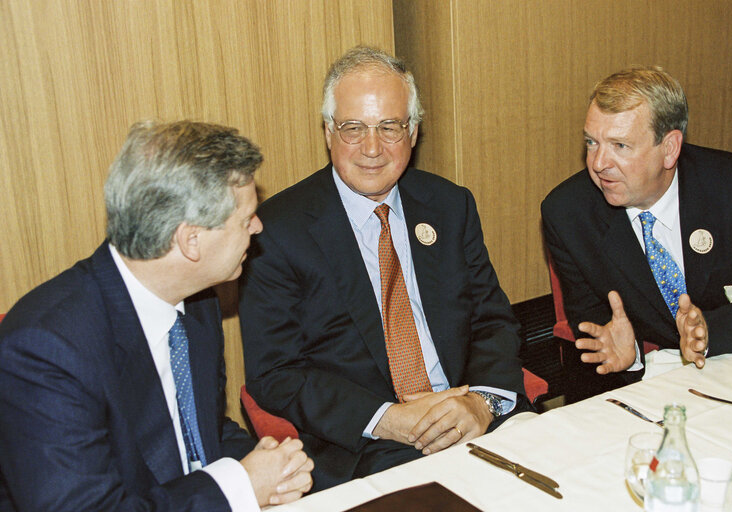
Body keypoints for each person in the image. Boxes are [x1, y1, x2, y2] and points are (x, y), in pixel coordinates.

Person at [239, 46, 532, 491]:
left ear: (413, 132)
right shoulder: (277, 231)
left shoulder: (451, 206)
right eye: (353, 128)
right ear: (327, 132)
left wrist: (483, 401)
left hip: (469, 414)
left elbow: (493, 321)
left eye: (389, 127)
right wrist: (390, 419)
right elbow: (275, 373)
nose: (372, 148)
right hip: (370, 444)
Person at [0, 121, 313, 511]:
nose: (258, 226)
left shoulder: (195, 300)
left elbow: (198, 435)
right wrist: (240, 486)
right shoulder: (45, 349)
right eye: (245, 218)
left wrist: (270, 467)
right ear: (190, 240)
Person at [542, 66, 732, 401]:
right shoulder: (569, 213)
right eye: (592, 142)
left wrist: (710, 331)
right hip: (646, 384)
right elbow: (593, 321)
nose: (599, 162)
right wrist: (626, 350)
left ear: (670, 147)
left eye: (619, 145)